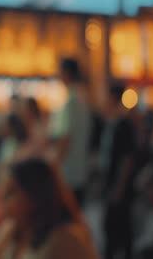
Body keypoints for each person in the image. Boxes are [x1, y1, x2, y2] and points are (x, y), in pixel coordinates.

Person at [0, 158, 100, 259]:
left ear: (35, 196)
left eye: (11, 192)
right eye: (2, 191)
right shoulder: (11, 230)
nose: (2, 199)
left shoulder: (61, 240)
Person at [99, 84, 137, 259]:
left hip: (118, 185)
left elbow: (127, 159)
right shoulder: (112, 123)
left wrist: (119, 187)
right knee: (117, 226)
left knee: (117, 226)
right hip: (112, 183)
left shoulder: (122, 125)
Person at [48, 58, 92, 205]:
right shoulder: (83, 99)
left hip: (67, 174)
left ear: (66, 74)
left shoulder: (69, 103)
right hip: (80, 171)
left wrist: (52, 167)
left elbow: (64, 140)